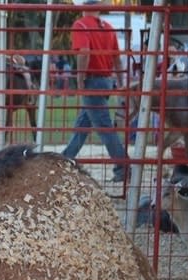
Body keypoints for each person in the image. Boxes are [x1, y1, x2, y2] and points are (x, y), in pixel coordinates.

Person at [62, 0, 128, 182]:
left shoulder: (80, 25)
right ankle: (66, 158)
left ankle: (123, 165)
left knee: (103, 126)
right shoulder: (108, 27)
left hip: (92, 80)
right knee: (84, 122)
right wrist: (121, 82)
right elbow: (117, 58)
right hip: (106, 80)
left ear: (83, 8)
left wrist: (80, 77)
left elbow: (84, 52)